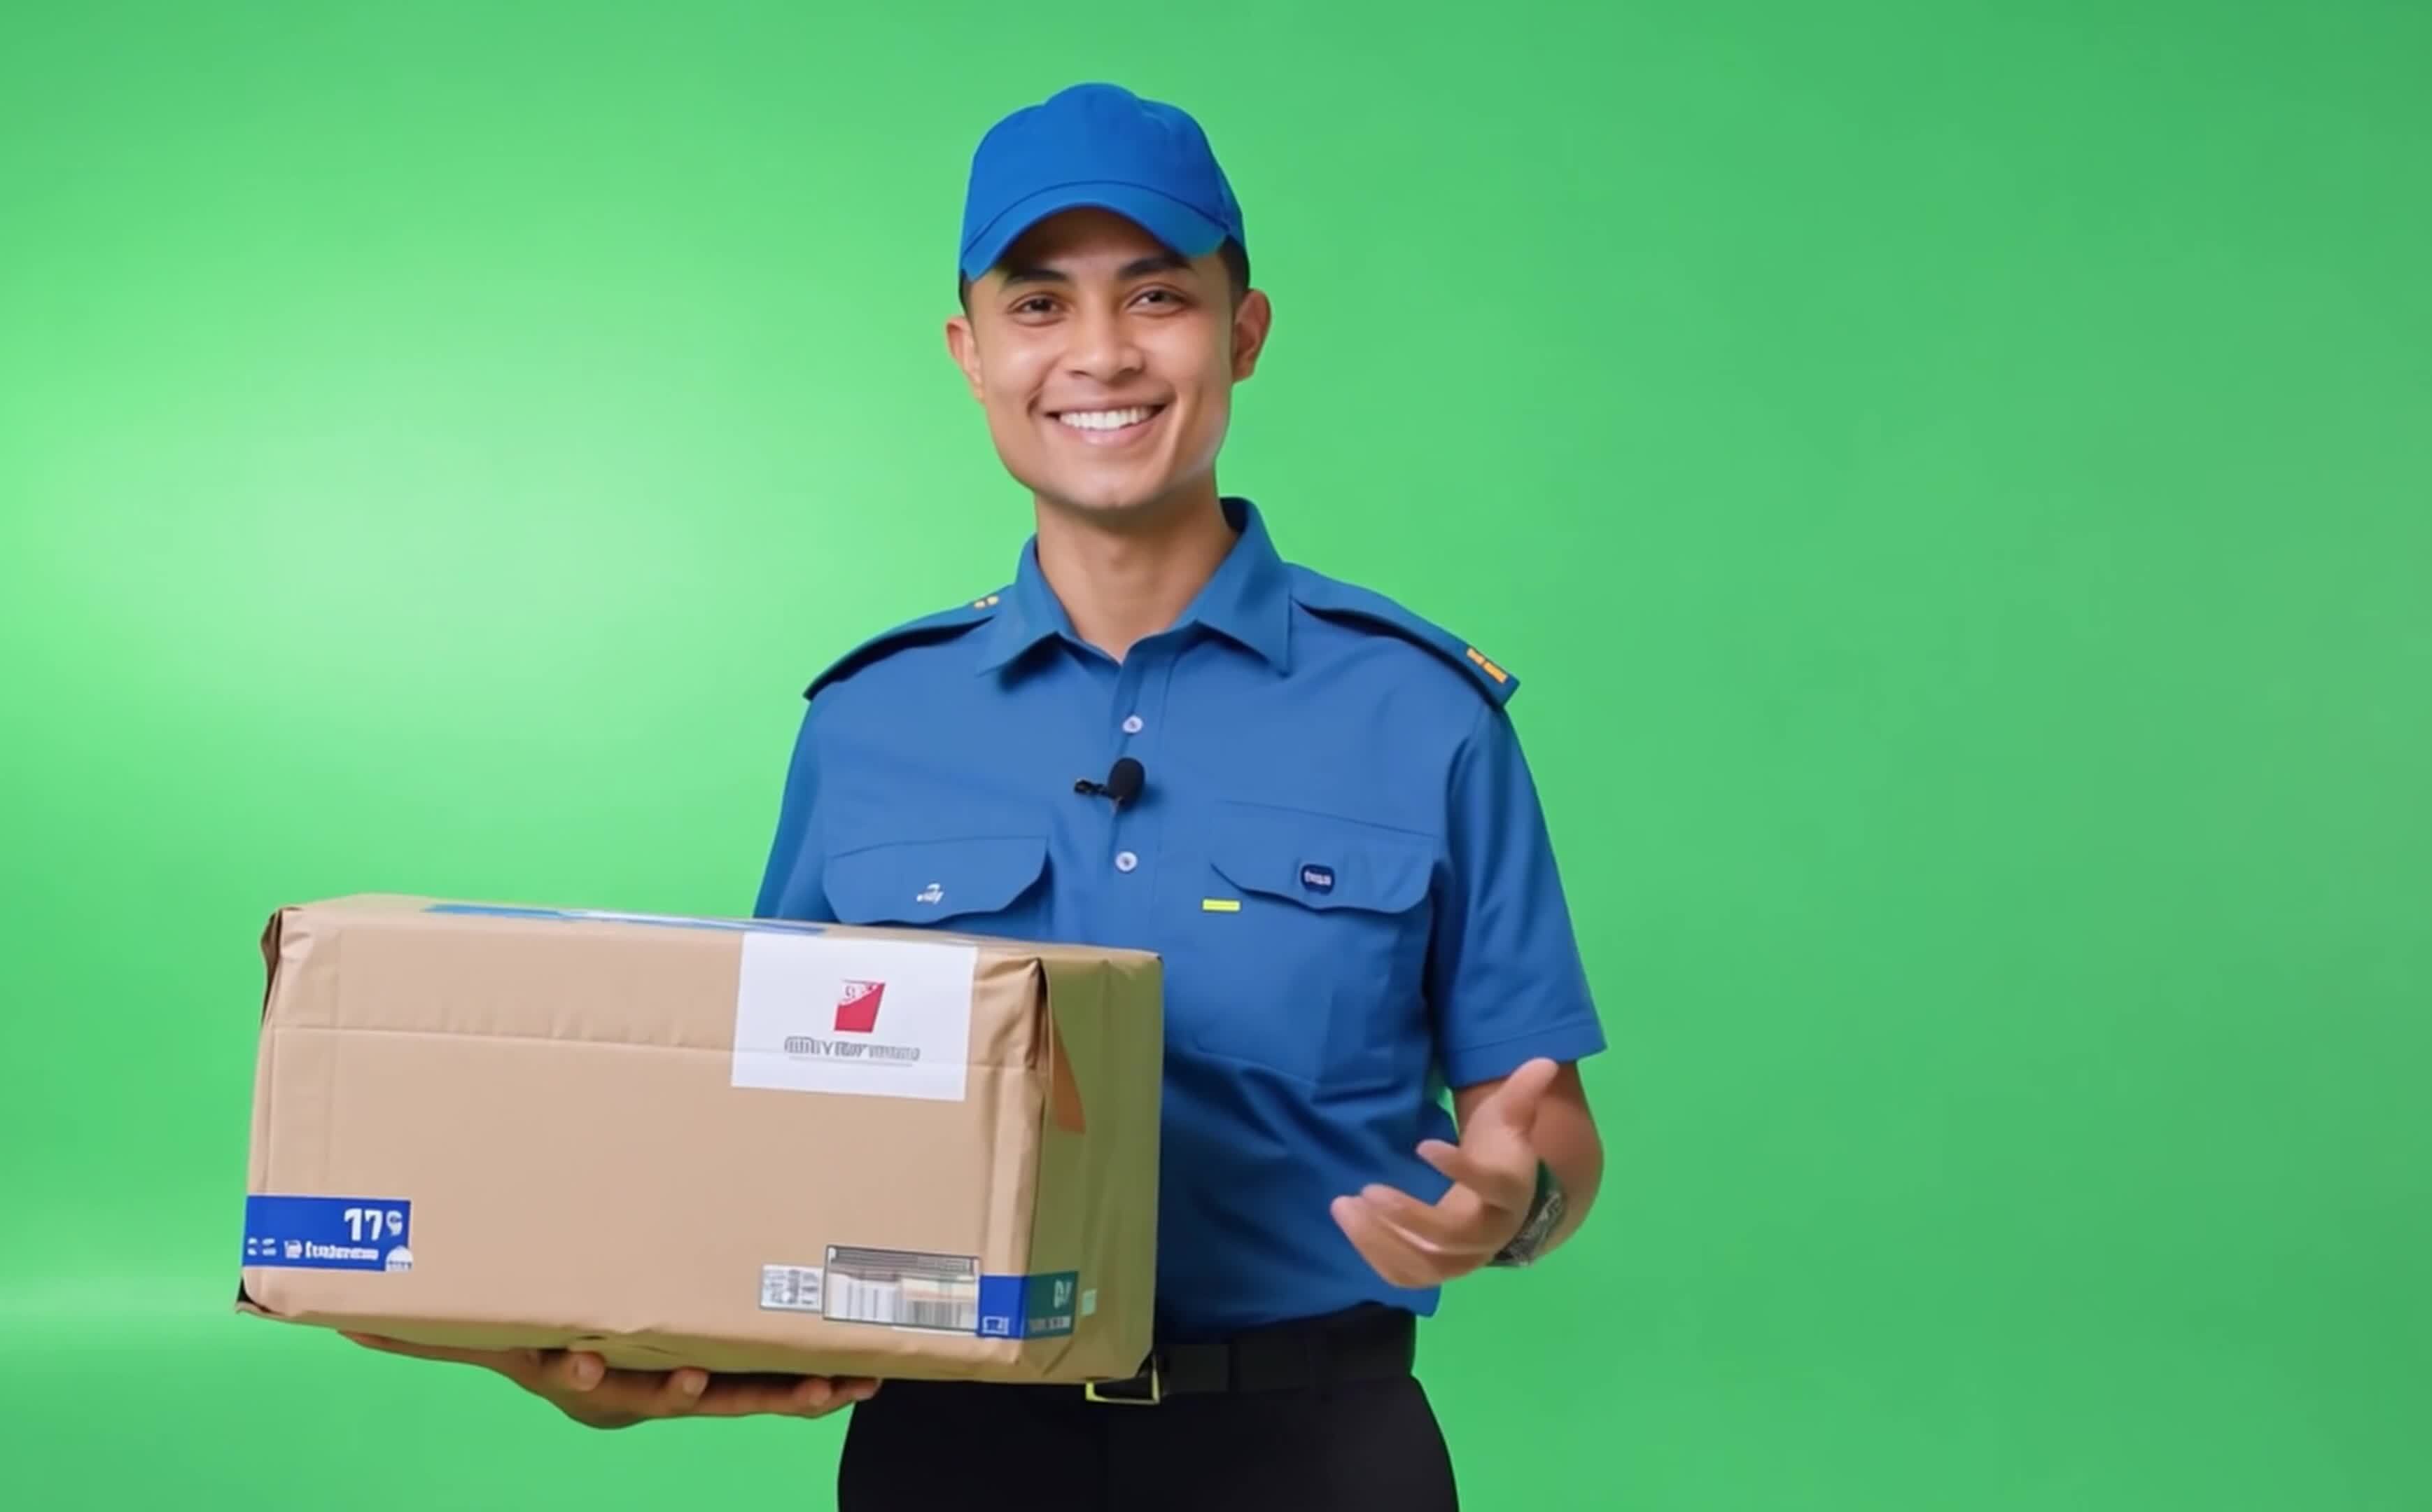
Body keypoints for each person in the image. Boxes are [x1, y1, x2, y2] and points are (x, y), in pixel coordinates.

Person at [351, 81, 1606, 1511]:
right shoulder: (870, 721)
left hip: (1316, 1447)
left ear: (1242, 333)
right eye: (1037, 304)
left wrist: (1514, 1206)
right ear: (968, 350)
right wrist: (615, 1346)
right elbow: (765, 1121)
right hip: (951, 1450)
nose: (1099, 354)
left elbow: (1541, 1116)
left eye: (1156, 296)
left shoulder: (1421, 712)